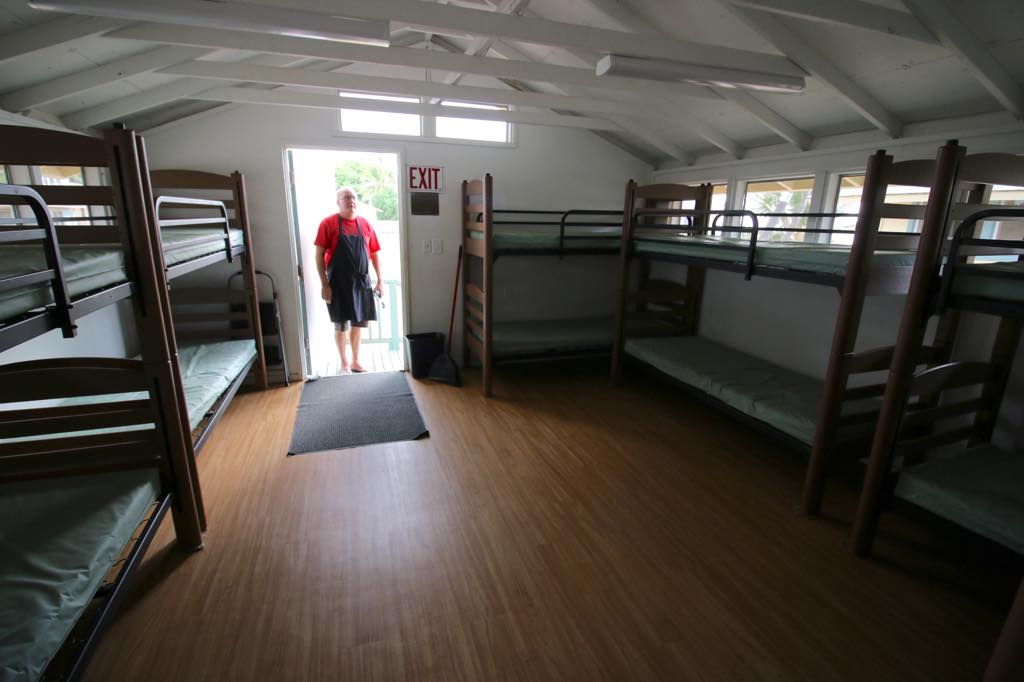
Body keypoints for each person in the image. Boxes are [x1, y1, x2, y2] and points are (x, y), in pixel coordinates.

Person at [314, 187, 383, 373]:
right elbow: (319, 255)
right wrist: (324, 284)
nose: (351, 200)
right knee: (340, 325)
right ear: (338, 202)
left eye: (353, 197)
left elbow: (374, 254)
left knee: (358, 324)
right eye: (346, 197)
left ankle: (355, 361)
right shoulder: (328, 223)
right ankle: (344, 364)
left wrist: (380, 280)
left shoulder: (366, 224)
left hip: (361, 283)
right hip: (338, 284)